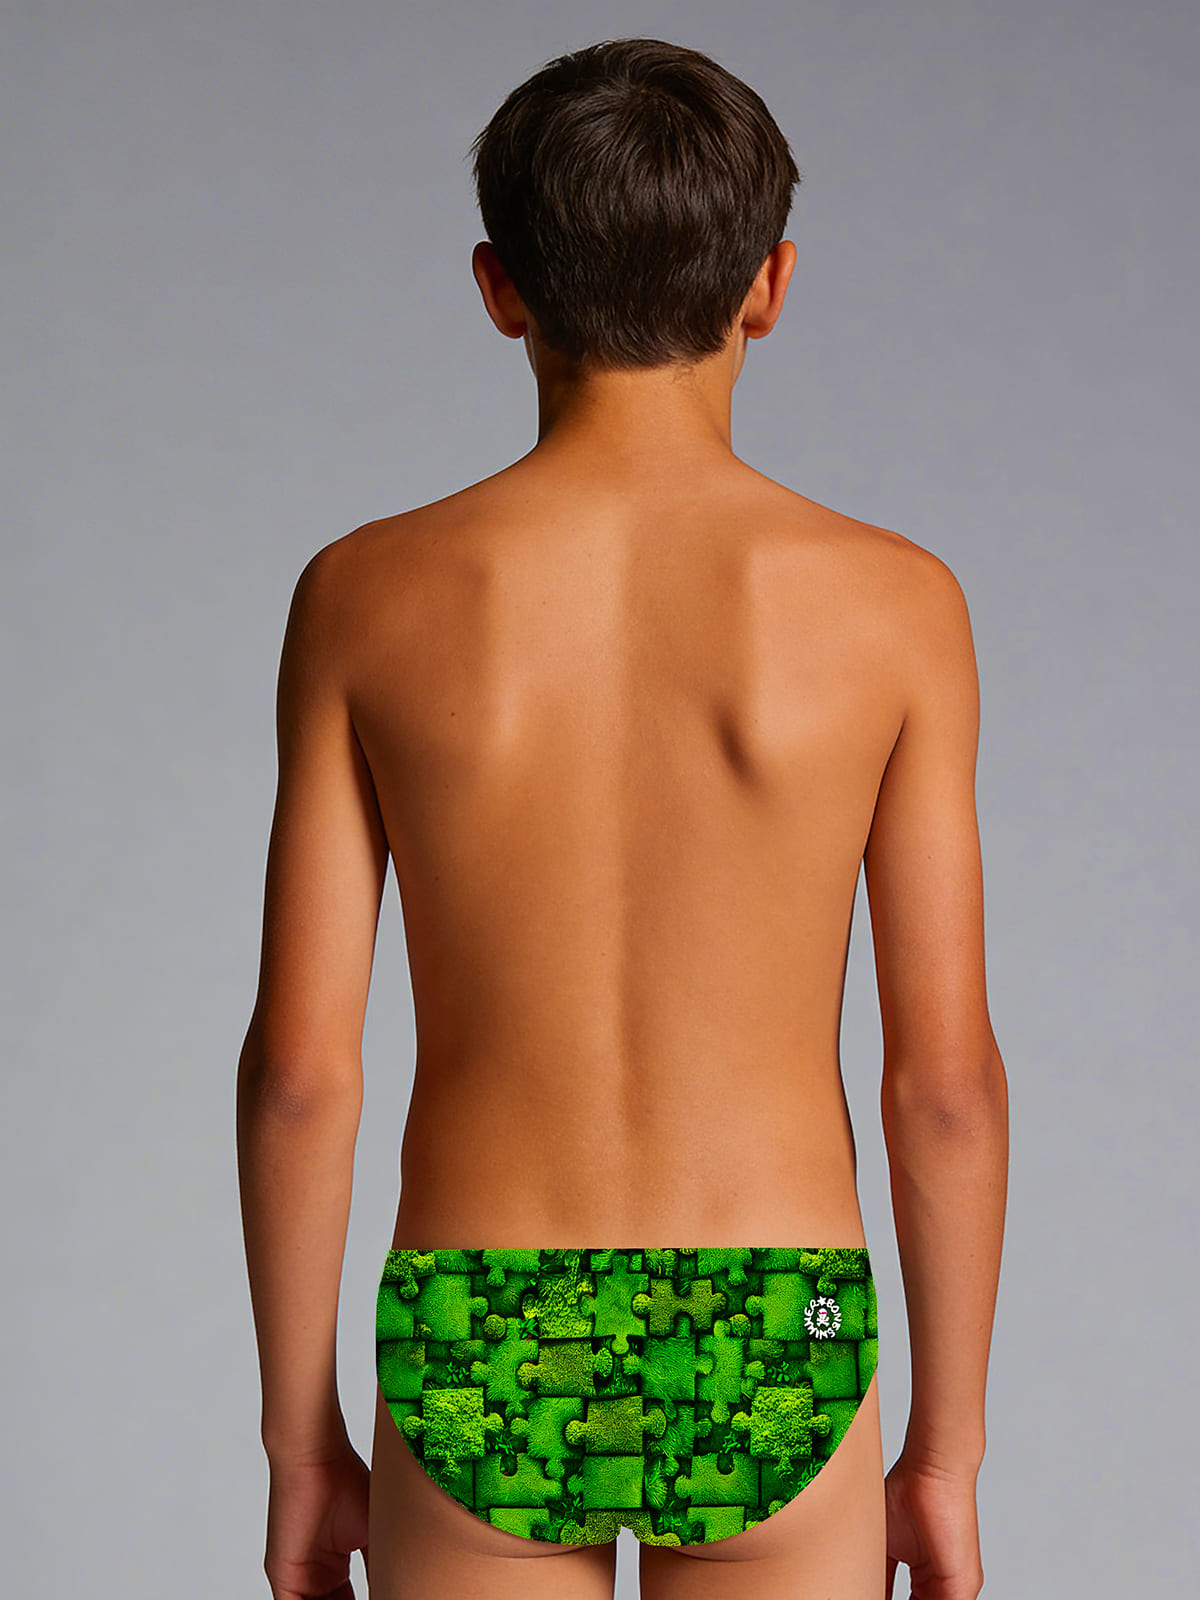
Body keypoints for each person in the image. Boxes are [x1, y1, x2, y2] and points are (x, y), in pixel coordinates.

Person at [236, 35, 1008, 1600]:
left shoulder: (365, 596)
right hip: (775, 1320)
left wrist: (301, 1444)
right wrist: (945, 1455)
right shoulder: (895, 607)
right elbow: (944, 1088)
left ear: (499, 287)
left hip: (484, 1316)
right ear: (769, 285)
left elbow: (302, 1076)